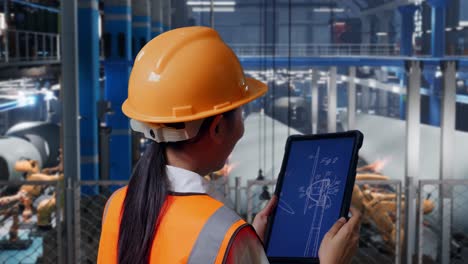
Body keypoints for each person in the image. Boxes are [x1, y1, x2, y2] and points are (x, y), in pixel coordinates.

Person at [97, 26, 361, 264]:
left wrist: (249, 247)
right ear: (218, 127)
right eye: (239, 112)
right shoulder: (224, 233)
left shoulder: (118, 204)